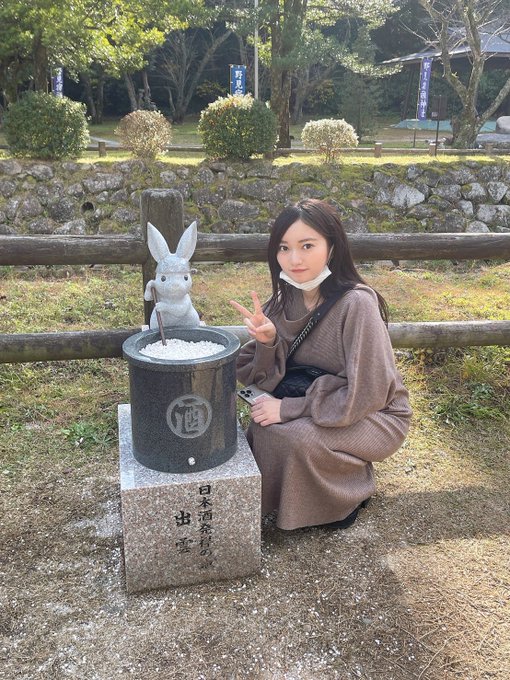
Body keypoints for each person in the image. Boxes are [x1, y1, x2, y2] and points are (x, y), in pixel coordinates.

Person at [230, 199, 412, 531]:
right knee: (265, 427)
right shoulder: (283, 301)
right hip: (319, 400)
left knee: (297, 436)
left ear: (332, 248)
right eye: (284, 247)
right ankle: (290, 502)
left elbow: (369, 392)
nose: (294, 259)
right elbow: (259, 378)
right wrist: (269, 342)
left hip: (374, 413)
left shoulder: (357, 304)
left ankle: (345, 498)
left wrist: (290, 409)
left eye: (307, 246)